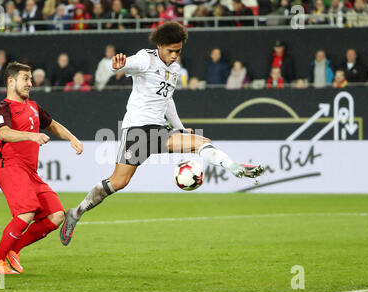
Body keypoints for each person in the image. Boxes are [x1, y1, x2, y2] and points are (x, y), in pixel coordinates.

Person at [59, 21, 264, 246]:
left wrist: (180, 129)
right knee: (118, 182)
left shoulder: (174, 68)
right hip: (136, 131)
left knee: (201, 142)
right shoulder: (146, 58)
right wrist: (116, 65)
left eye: (178, 51)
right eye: (171, 51)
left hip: (158, 131)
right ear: (159, 46)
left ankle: (233, 167)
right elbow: (123, 64)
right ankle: (75, 213)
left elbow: (167, 102)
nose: (175, 56)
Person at [0, 61, 83, 274]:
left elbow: (53, 125)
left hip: (31, 173)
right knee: (26, 212)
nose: (30, 83)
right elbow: (3, 133)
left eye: (30, 79)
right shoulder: (3, 108)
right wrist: (32, 135)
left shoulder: (33, 106)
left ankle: (14, 250)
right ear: (11, 81)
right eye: (25, 79)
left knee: (57, 215)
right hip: (11, 168)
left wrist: (72, 138)